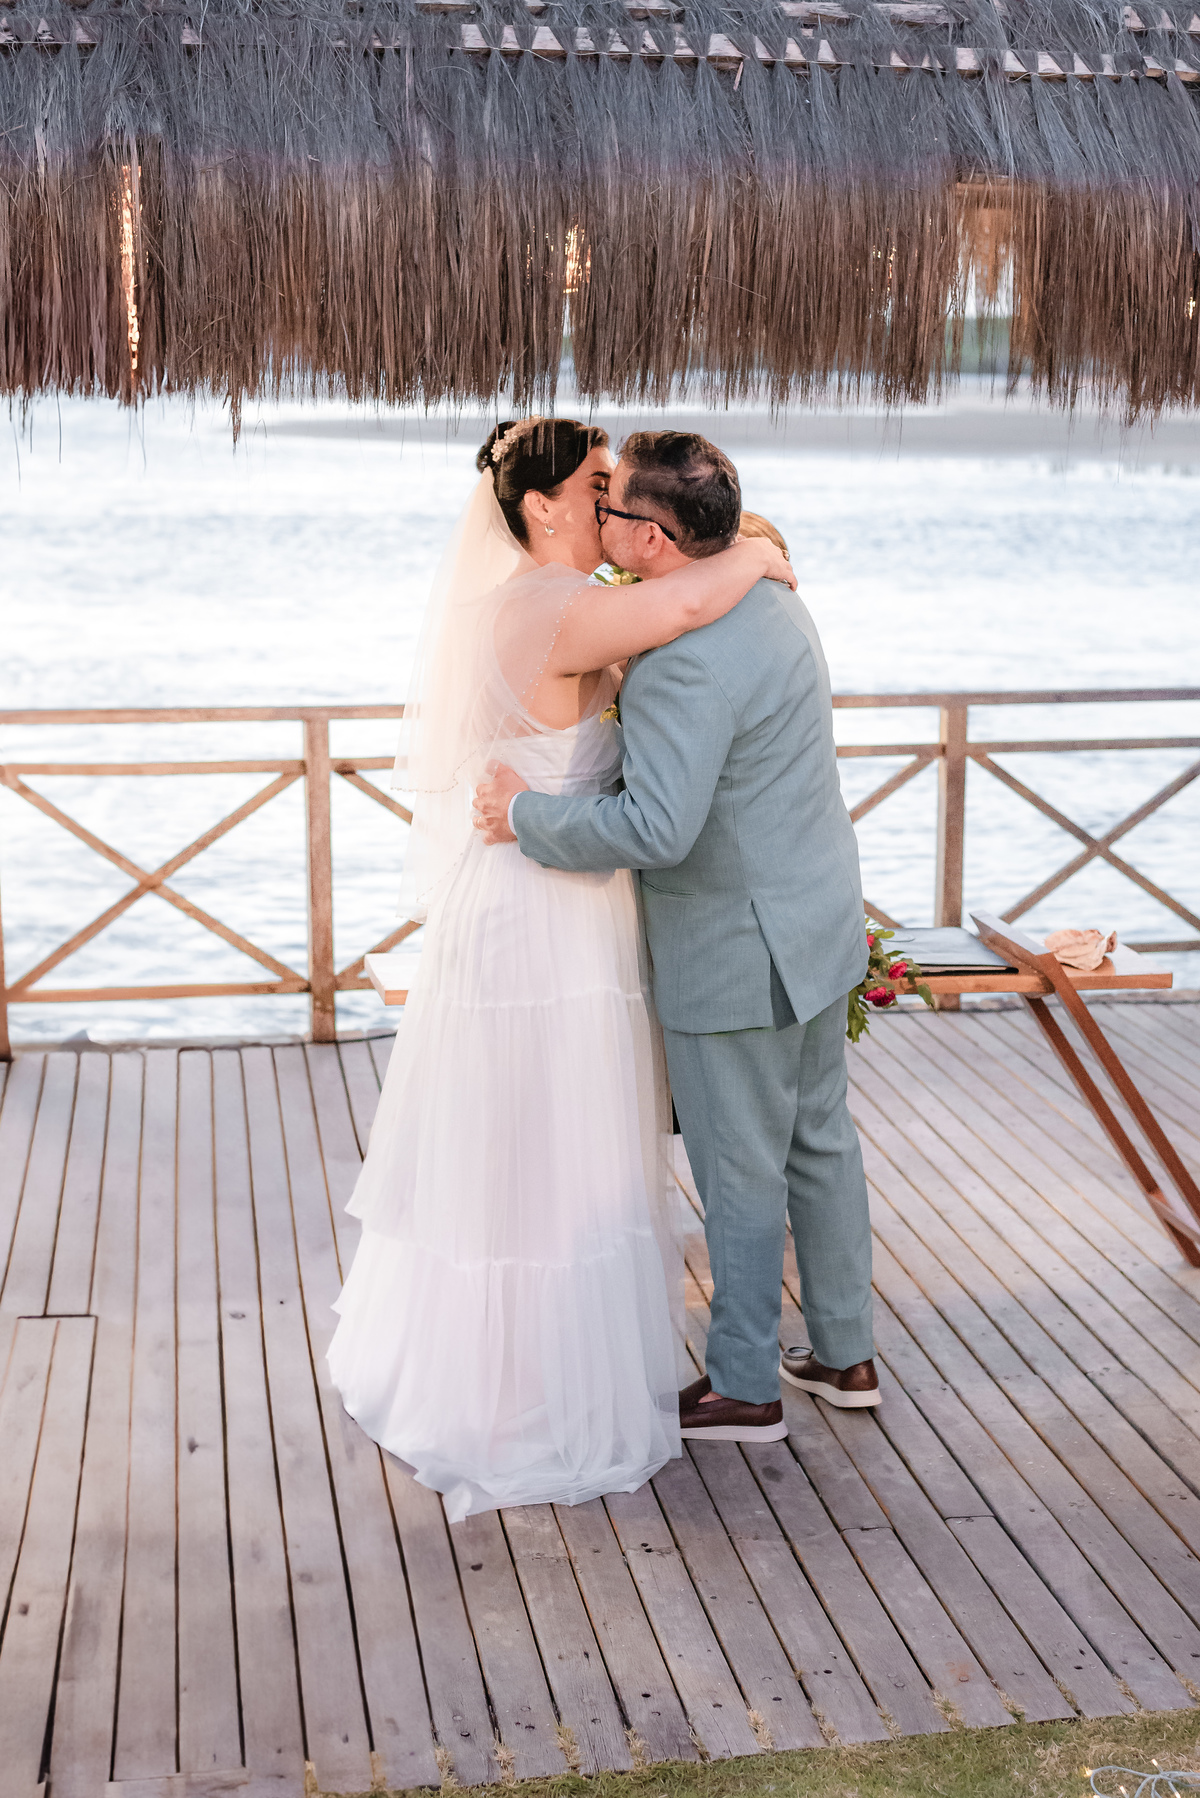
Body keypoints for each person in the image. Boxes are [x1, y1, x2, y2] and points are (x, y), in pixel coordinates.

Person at [327, 416, 793, 1521]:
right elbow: (682, 600)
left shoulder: (529, 603)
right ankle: (524, 1393)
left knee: (527, 1141)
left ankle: (505, 1368)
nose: (611, 502)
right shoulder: (555, 604)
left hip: (545, 895)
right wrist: (760, 553)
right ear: (541, 506)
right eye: (594, 485)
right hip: (544, 909)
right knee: (547, 1146)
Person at [475, 430, 881, 1444]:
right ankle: (845, 1351)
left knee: (741, 1169)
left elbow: (656, 829)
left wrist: (524, 815)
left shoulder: (680, 664)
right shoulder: (775, 601)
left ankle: (745, 1382)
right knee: (821, 1141)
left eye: (614, 509)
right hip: (822, 922)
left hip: (735, 951)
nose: (603, 519)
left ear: (653, 538)